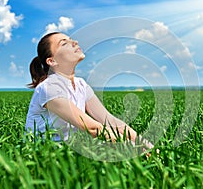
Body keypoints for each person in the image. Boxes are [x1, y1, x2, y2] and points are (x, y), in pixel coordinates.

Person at [25, 32, 153, 150]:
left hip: (67, 149)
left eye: (71, 40)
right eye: (64, 43)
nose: (74, 42)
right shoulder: (49, 87)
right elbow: (91, 127)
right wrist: (134, 147)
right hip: (44, 153)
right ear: (52, 61)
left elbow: (109, 120)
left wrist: (147, 145)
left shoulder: (81, 84)